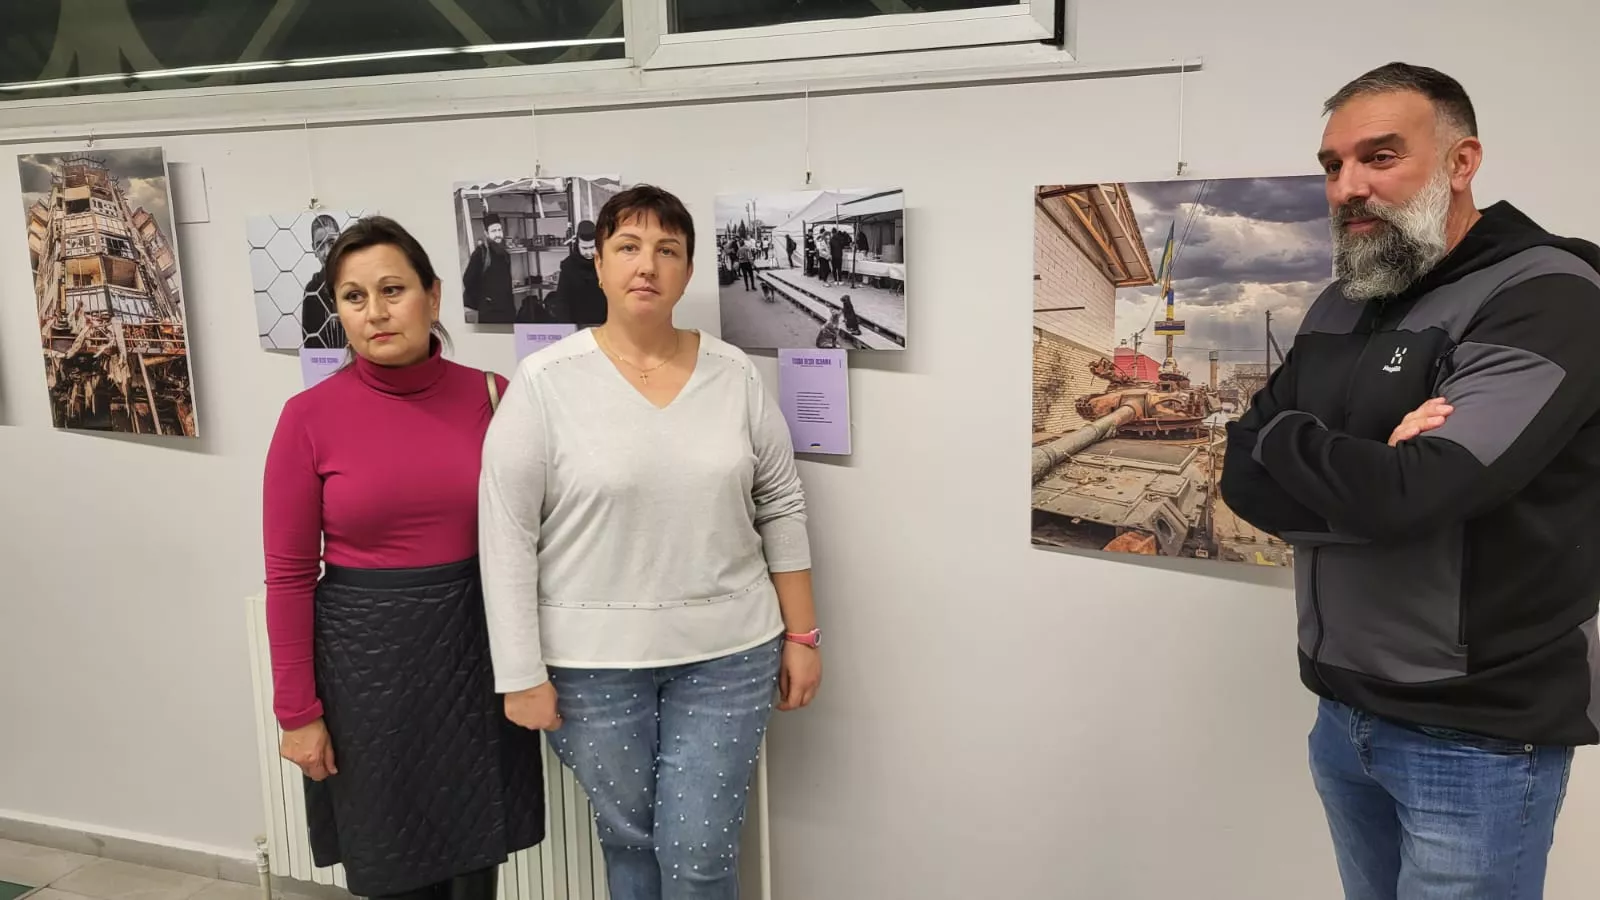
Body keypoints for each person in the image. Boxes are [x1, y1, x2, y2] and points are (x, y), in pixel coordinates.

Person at [1218, 61, 1600, 899]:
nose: (1348, 186)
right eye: (1333, 164)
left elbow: (1417, 493)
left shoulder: (1549, 294)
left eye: (1380, 157)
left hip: (1476, 736)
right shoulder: (1342, 304)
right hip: (1341, 715)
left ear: (1462, 162)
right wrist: (1357, 458)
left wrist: (1283, 435)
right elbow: (1242, 478)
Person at [478, 184, 823, 900]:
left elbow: (781, 505)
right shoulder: (543, 384)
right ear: (599, 264)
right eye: (628, 247)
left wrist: (803, 636)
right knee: (630, 843)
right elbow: (506, 534)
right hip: (590, 665)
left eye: (667, 250)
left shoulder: (734, 376)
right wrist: (519, 673)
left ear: (688, 271)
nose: (647, 265)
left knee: (699, 854)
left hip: (730, 654)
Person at [264, 216, 546, 900]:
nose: (375, 312)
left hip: (475, 659)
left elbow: (536, 538)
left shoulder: (492, 396)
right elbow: (289, 577)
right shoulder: (308, 418)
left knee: (475, 869)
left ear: (433, 295)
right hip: (367, 676)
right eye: (354, 297)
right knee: (395, 871)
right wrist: (297, 712)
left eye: (392, 290)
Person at [298, 213, 344, 349]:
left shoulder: (356, 280)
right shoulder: (312, 289)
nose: (327, 252)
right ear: (314, 249)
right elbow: (310, 345)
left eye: (331, 243)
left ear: (340, 240)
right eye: (320, 246)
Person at [463, 211, 516, 324]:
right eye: (493, 231)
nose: (498, 234)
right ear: (486, 234)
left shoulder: (505, 254)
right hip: (490, 313)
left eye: (499, 230)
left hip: (507, 312)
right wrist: (484, 301)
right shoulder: (480, 253)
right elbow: (468, 280)